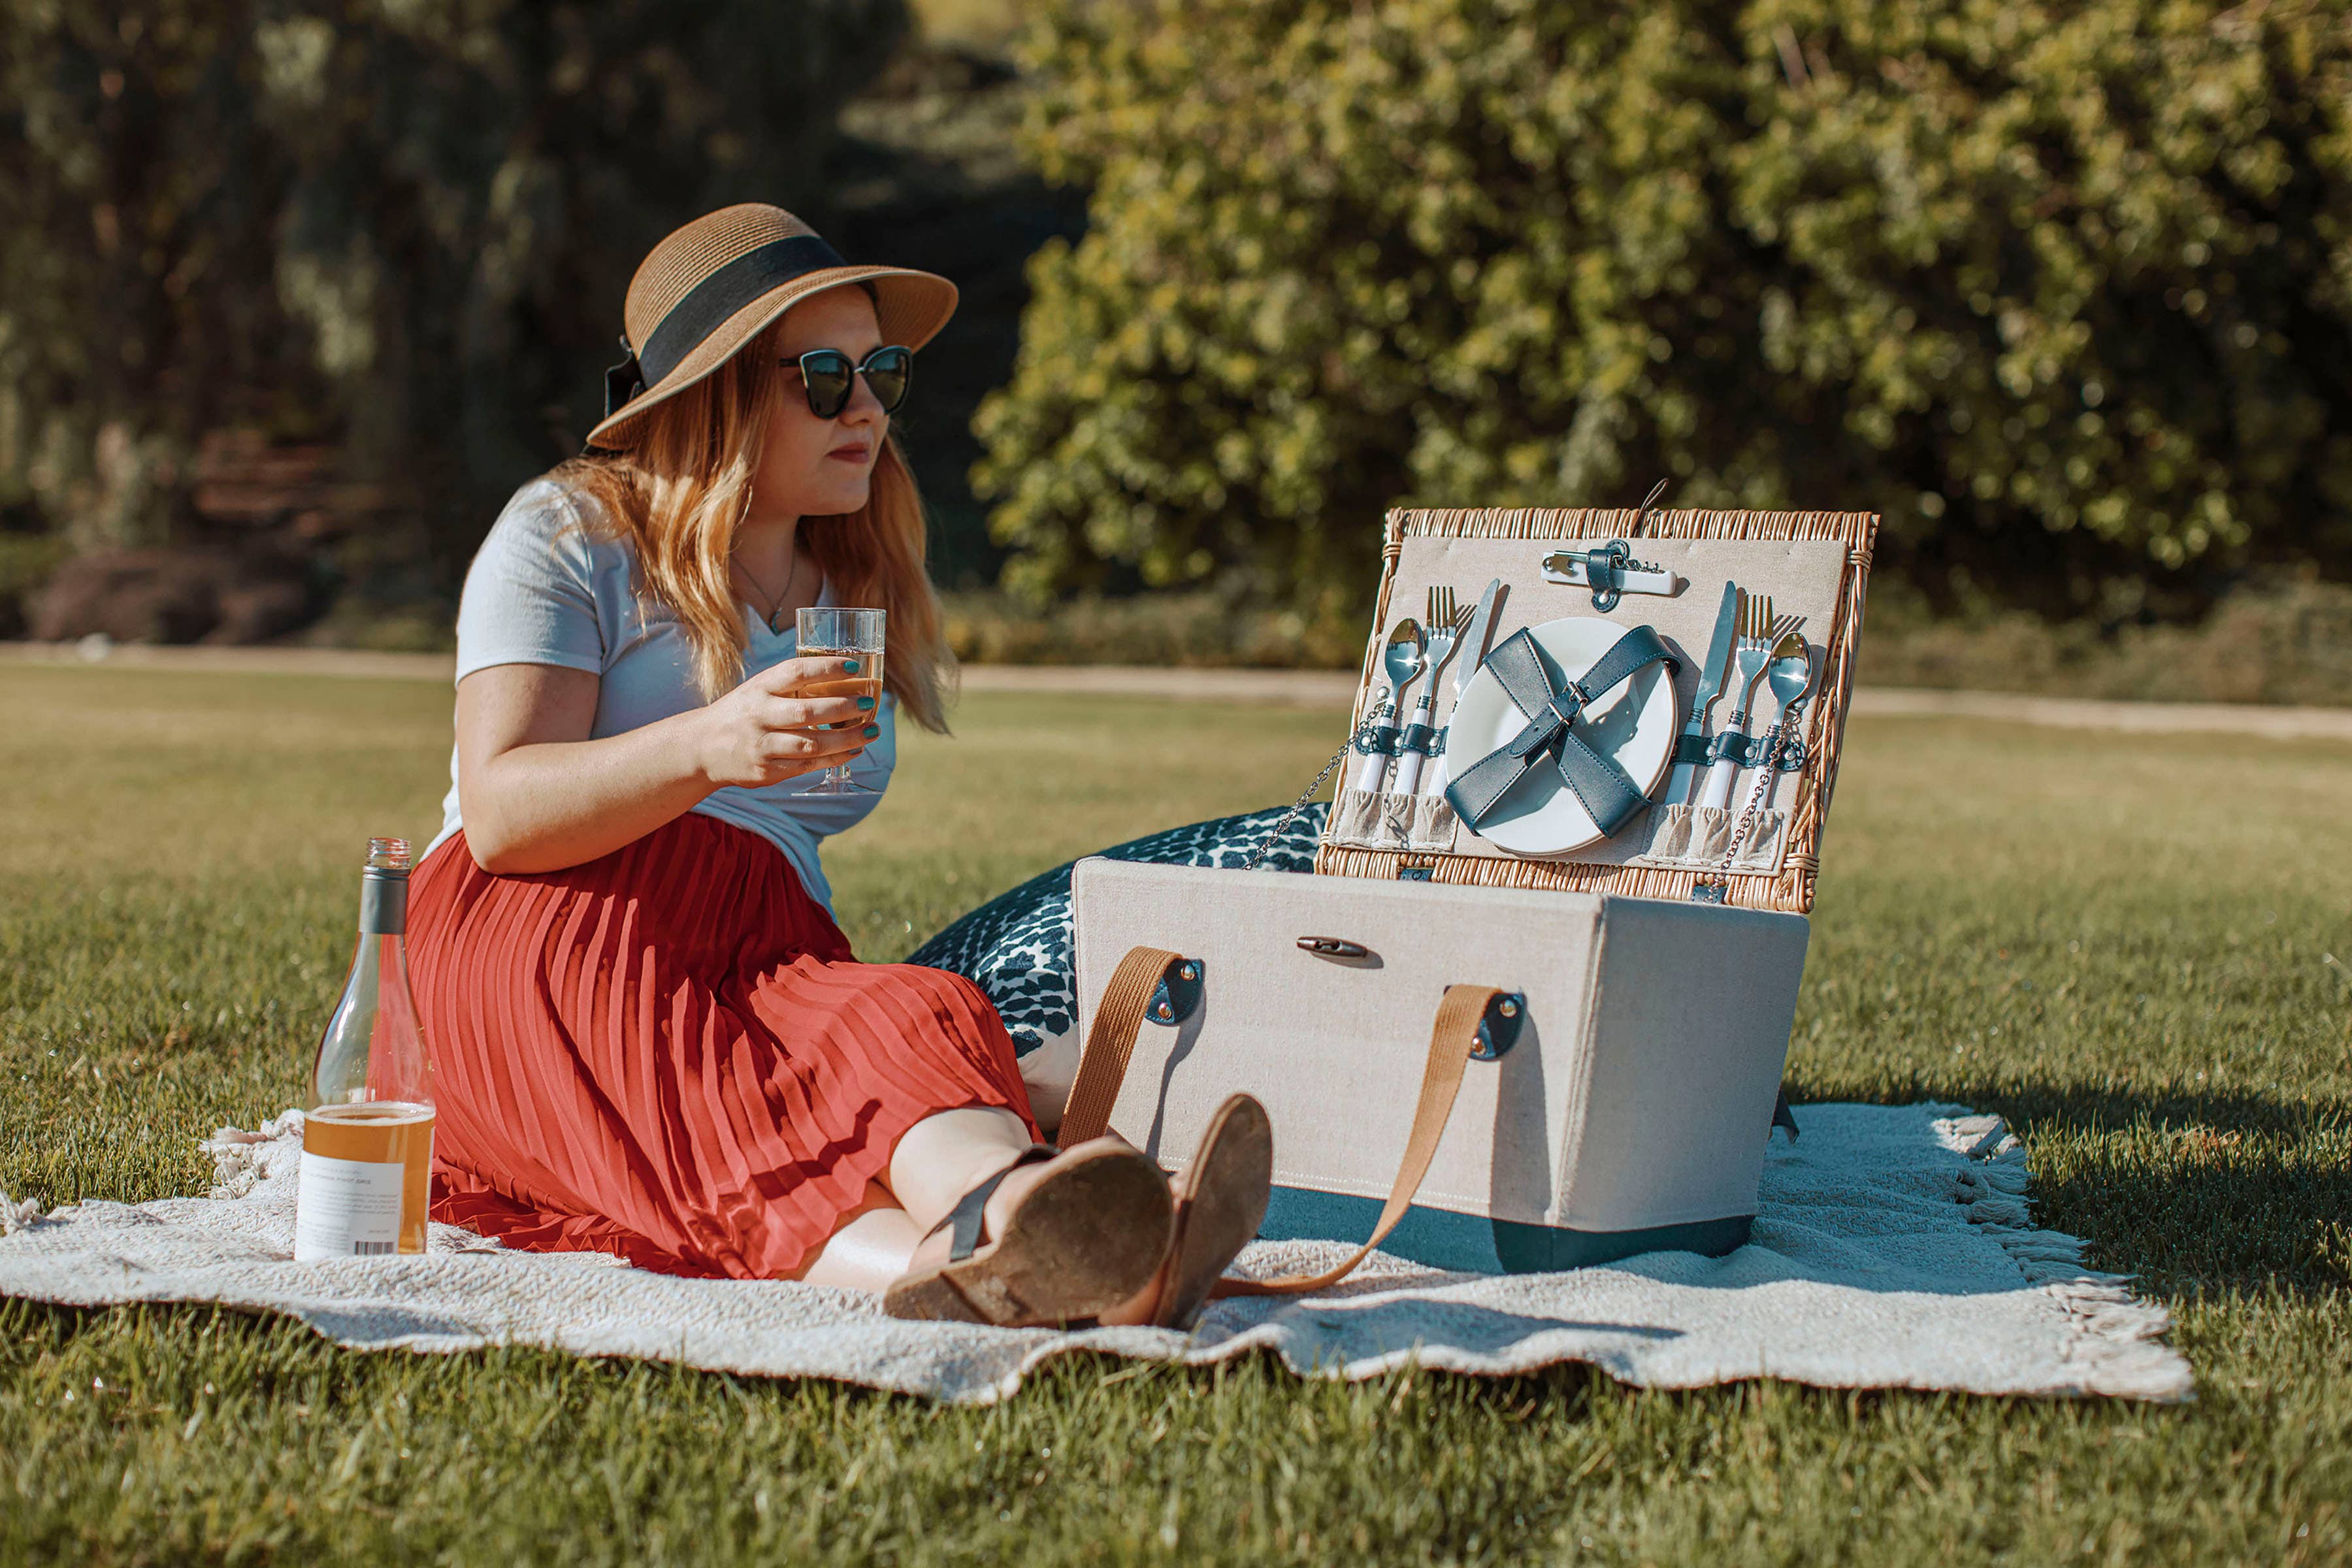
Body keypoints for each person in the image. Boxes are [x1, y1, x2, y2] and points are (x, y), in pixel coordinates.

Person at [407, 204, 1268, 1329]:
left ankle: (1032, 1241)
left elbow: (775, 862)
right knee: (737, 1094)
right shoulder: (573, 531)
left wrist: (830, 999)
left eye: (882, 373)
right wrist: (712, 745)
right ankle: (1048, 1237)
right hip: (551, 920)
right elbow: (503, 814)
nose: (865, 406)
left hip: (755, 941)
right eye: (822, 376)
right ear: (715, 394)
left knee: (905, 1021)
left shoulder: (844, 573)